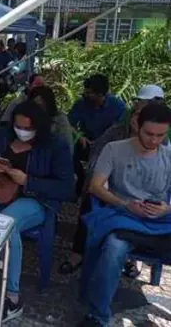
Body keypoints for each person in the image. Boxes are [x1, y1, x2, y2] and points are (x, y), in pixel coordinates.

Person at [0, 101, 74, 324]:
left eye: (28, 128)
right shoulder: (3, 136)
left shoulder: (55, 146)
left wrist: (29, 181)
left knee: (6, 225)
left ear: (39, 128)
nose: (22, 131)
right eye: (18, 126)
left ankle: (12, 297)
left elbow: (66, 188)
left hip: (35, 200)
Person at [79, 103, 171, 327]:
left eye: (161, 135)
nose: (154, 140)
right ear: (137, 126)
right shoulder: (114, 149)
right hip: (123, 216)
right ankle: (98, 315)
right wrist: (125, 204)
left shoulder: (168, 156)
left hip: (159, 219)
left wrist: (166, 209)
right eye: (149, 134)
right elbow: (96, 186)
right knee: (114, 247)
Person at [59, 84, 166, 276]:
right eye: (137, 115)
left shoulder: (162, 141)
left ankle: (133, 258)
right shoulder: (116, 134)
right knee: (90, 201)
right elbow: (96, 159)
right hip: (113, 193)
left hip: (148, 200)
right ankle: (78, 252)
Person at [68, 74, 126, 196]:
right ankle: (78, 183)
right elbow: (68, 124)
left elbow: (120, 131)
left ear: (100, 94)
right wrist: (79, 136)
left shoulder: (118, 107)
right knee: (66, 152)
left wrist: (102, 142)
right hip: (85, 142)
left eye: (89, 93)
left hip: (107, 146)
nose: (85, 95)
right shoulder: (81, 104)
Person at [29, 85, 73, 154]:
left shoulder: (60, 119)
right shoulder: (29, 119)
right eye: (35, 105)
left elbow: (67, 147)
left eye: (41, 105)